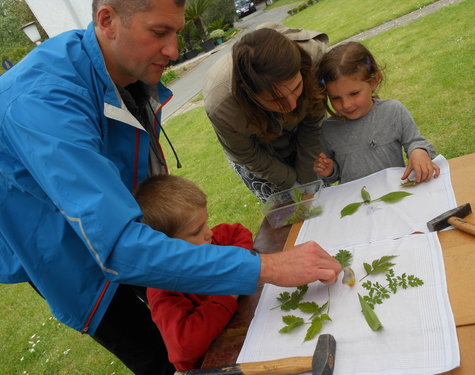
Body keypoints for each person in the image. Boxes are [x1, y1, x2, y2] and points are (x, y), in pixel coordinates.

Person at [0, 0, 341, 374]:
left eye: (176, 32)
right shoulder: (42, 101)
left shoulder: (125, 69)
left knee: (204, 334)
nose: (174, 50)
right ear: (107, 20)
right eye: (159, 32)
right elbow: (117, 247)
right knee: (159, 358)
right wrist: (266, 266)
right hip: (66, 253)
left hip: (126, 227)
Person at [134, 174, 252, 370]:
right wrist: (229, 291)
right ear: (165, 244)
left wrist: (231, 271)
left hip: (240, 337)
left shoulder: (211, 242)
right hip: (211, 365)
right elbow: (183, 347)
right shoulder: (162, 290)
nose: (209, 233)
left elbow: (239, 232)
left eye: (206, 222)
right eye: (197, 231)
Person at [202, 24, 329, 203]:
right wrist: (290, 183)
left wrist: (308, 180)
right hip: (259, 150)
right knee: (289, 208)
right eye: (276, 100)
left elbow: (313, 123)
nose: (291, 105)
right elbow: (249, 155)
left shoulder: (314, 59)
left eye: (297, 87)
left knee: (321, 194)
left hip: (304, 129)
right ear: (248, 92)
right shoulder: (222, 108)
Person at [313, 41, 440, 185]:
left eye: (354, 93)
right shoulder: (328, 129)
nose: (346, 105)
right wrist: (329, 171)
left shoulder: (393, 111)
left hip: (395, 193)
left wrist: (419, 152)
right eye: (335, 98)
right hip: (356, 201)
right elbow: (332, 175)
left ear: (374, 81)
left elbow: (415, 142)